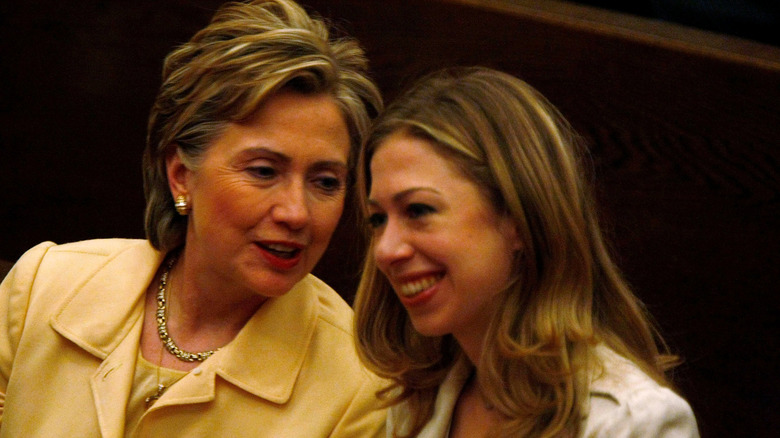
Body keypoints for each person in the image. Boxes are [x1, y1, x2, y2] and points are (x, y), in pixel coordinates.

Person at [0, 0, 386, 436]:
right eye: (263, 171)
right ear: (181, 176)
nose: (296, 213)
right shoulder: (43, 288)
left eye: (325, 182)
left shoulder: (359, 390)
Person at [354, 67, 699, 437]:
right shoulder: (415, 401)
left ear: (518, 218)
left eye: (419, 211)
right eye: (377, 220)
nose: (386, 251)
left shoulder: (632, 422)